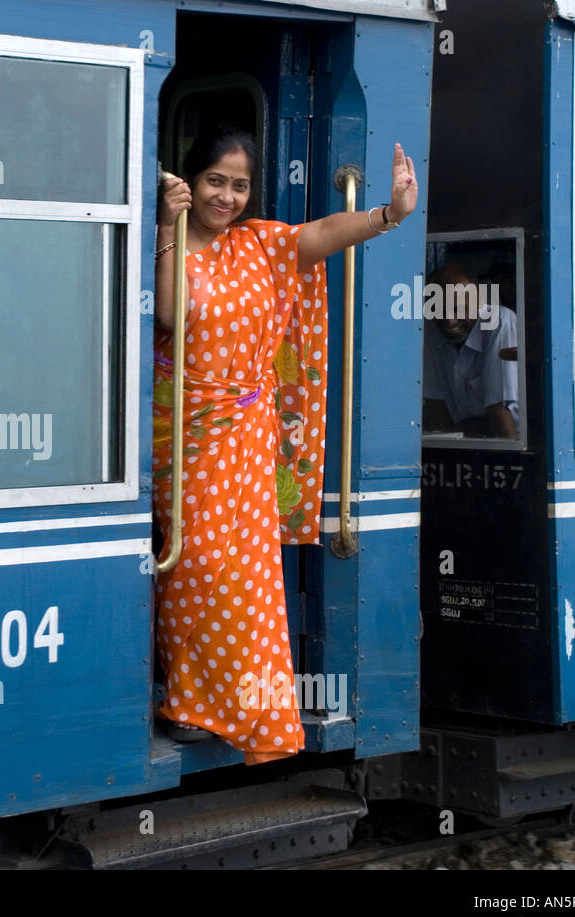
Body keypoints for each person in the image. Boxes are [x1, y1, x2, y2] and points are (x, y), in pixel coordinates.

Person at [153, 125, 418, 763]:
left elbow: (323, 234)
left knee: (248, 580)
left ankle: (239, 709)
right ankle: (186, 700)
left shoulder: (259, 246)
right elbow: (166, 315)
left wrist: (388, 215)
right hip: (183, 439)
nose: (227, 197)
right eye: (216, 181)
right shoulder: (170, 245)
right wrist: (168, 223)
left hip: (246, 440)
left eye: (240, 185)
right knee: (195, 567)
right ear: (192, 181)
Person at [422, 262, 519, 439]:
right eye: (440, 311)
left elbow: (500, 410)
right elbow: (436, 411)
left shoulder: (500, 321)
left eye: (459, 309)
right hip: (464, 442)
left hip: (510, 440)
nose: (450, 322)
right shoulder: (430, 329)